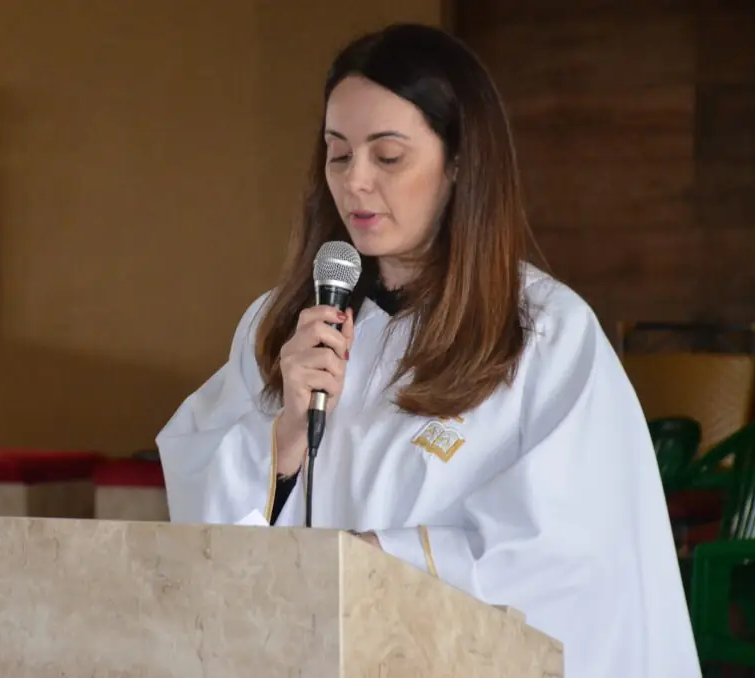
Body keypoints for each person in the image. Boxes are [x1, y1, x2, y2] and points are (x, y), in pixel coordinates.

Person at [156, 22, 700, 678]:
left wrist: (367, 559)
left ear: (460, 163)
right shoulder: (283, 327)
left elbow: (574, 551)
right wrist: (282, 444)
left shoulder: (543, 336)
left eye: (387, 157)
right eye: (337, 153)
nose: (355, 182)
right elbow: (209, 536)